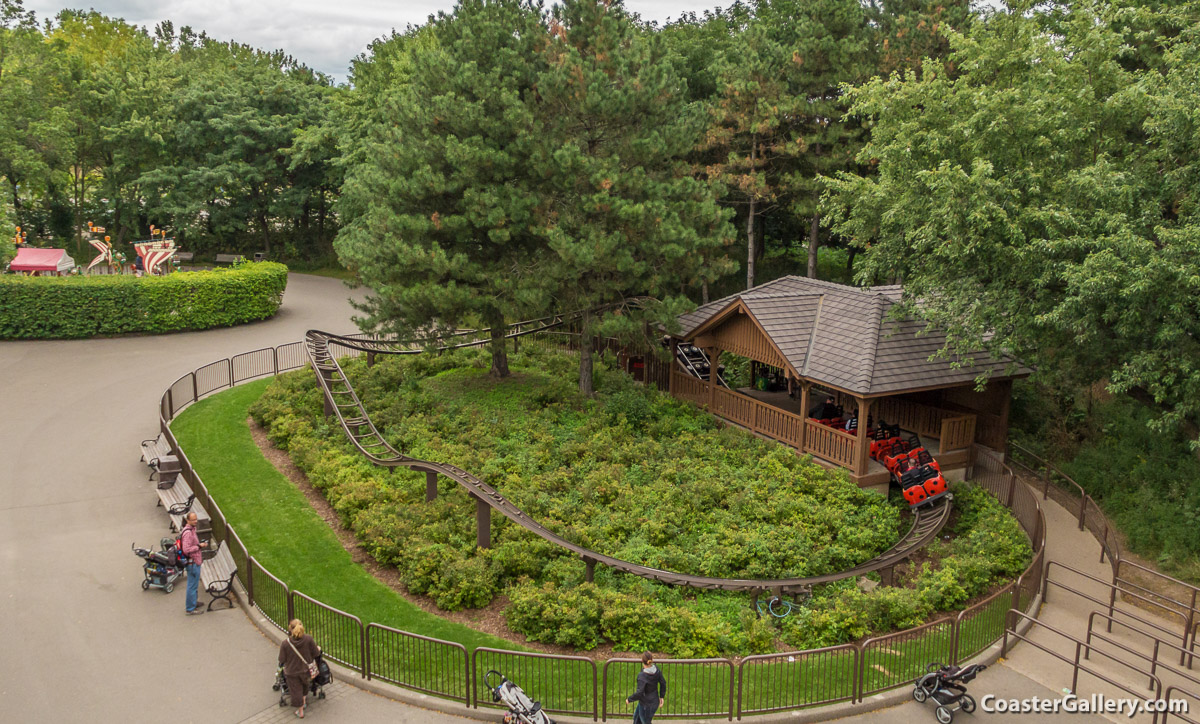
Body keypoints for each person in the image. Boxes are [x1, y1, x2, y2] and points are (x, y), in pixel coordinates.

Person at [279, 619, 321, 719]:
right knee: (305, 686)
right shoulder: (308, 639)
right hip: (306, 670)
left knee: (296, 690)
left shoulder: (285, 643)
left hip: (292, 672)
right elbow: (316, 653)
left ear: (290, 629)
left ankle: (300, 711)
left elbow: (281, 659)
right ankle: (304, 701)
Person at [625, 651, 667, 723]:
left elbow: (639, 692)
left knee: (645, 721)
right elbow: (663, 683)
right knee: (636, 717)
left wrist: (629, 699)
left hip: (646, 705)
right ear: (651, 660)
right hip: (651, 702)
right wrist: (661, 696)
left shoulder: (642, 676)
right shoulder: (657, 670)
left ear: (642, 661)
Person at [180, 512, 206, 615]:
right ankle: (190, 608)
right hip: (193, 563)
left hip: (194, 562)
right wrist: (199, 546)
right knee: (192, 586)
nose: (196, 521)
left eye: (196, 519)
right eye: (193, 520)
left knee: (194, 585)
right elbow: (186, 549)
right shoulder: (188, 533)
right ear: (188, 520)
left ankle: (193, 602)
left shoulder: (192, 529)